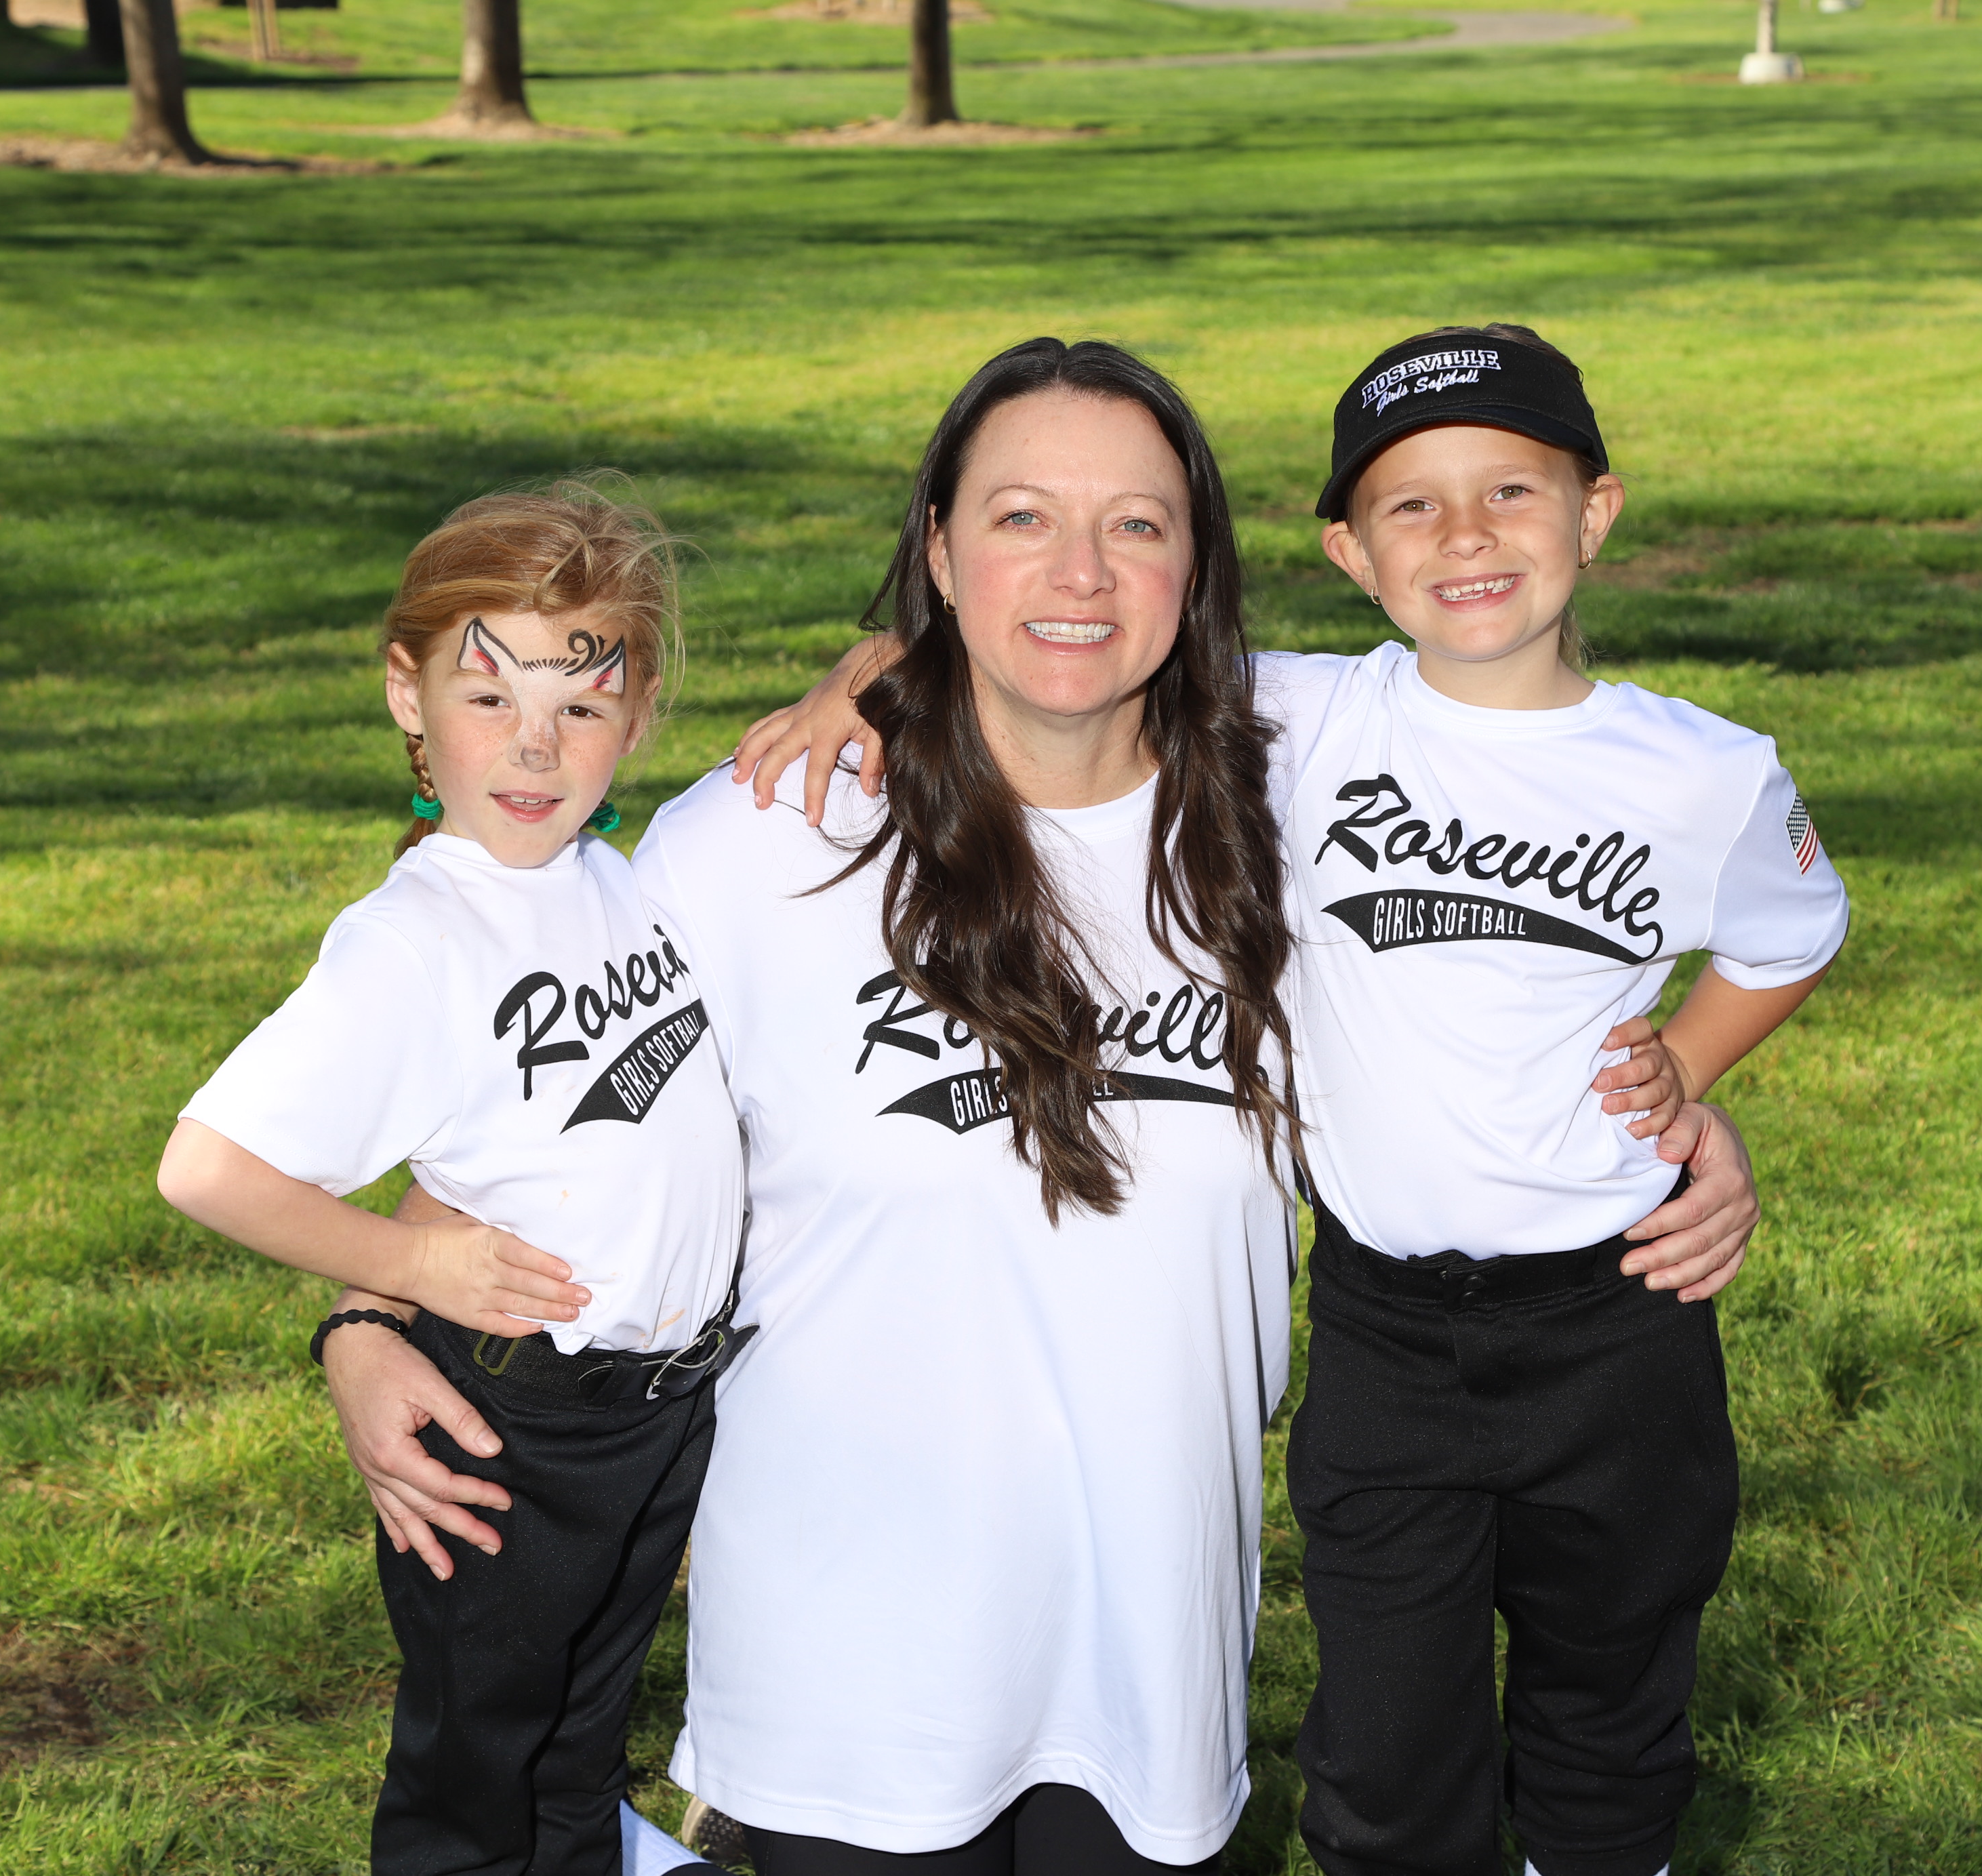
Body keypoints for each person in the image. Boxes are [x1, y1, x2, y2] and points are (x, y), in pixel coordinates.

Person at [324, 339, 1771, 1875]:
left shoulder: (1297, 801)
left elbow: (1497, 979)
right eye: (1020, 517)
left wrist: (1669, 1113)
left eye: (1135, 524)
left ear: (1196, 566)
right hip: (850, 1680)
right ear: (938, 552)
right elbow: (559, 1100)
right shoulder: (772, 833)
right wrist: (366, 1314)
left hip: (1153, 1669)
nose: (1080, 571)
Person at [747, 325, 1847, 1876]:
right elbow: (1055, 647)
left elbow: (1793, 932)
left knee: (1611, 1683)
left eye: (1511, 492)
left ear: (1594, 512)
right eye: (1411, 506)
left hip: (1619, 1321)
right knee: (1387, 1740)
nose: (1466, 538)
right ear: (1346, 550)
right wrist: (862, 674)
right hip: (1389, 1326)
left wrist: (1693, 1068)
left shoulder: (1701, 770)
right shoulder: (1300, 720)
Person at [155, 485, 748, 1876]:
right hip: (514, 1427)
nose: (535, 746)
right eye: (489, 699)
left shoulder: (613, 879)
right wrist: (408, 1271)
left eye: (581, 705)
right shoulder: (413, 940)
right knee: (476, 1773)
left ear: (637, 715)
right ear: (407, 699)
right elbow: (207, 1167)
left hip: (654, 1411)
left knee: (575, 1748)